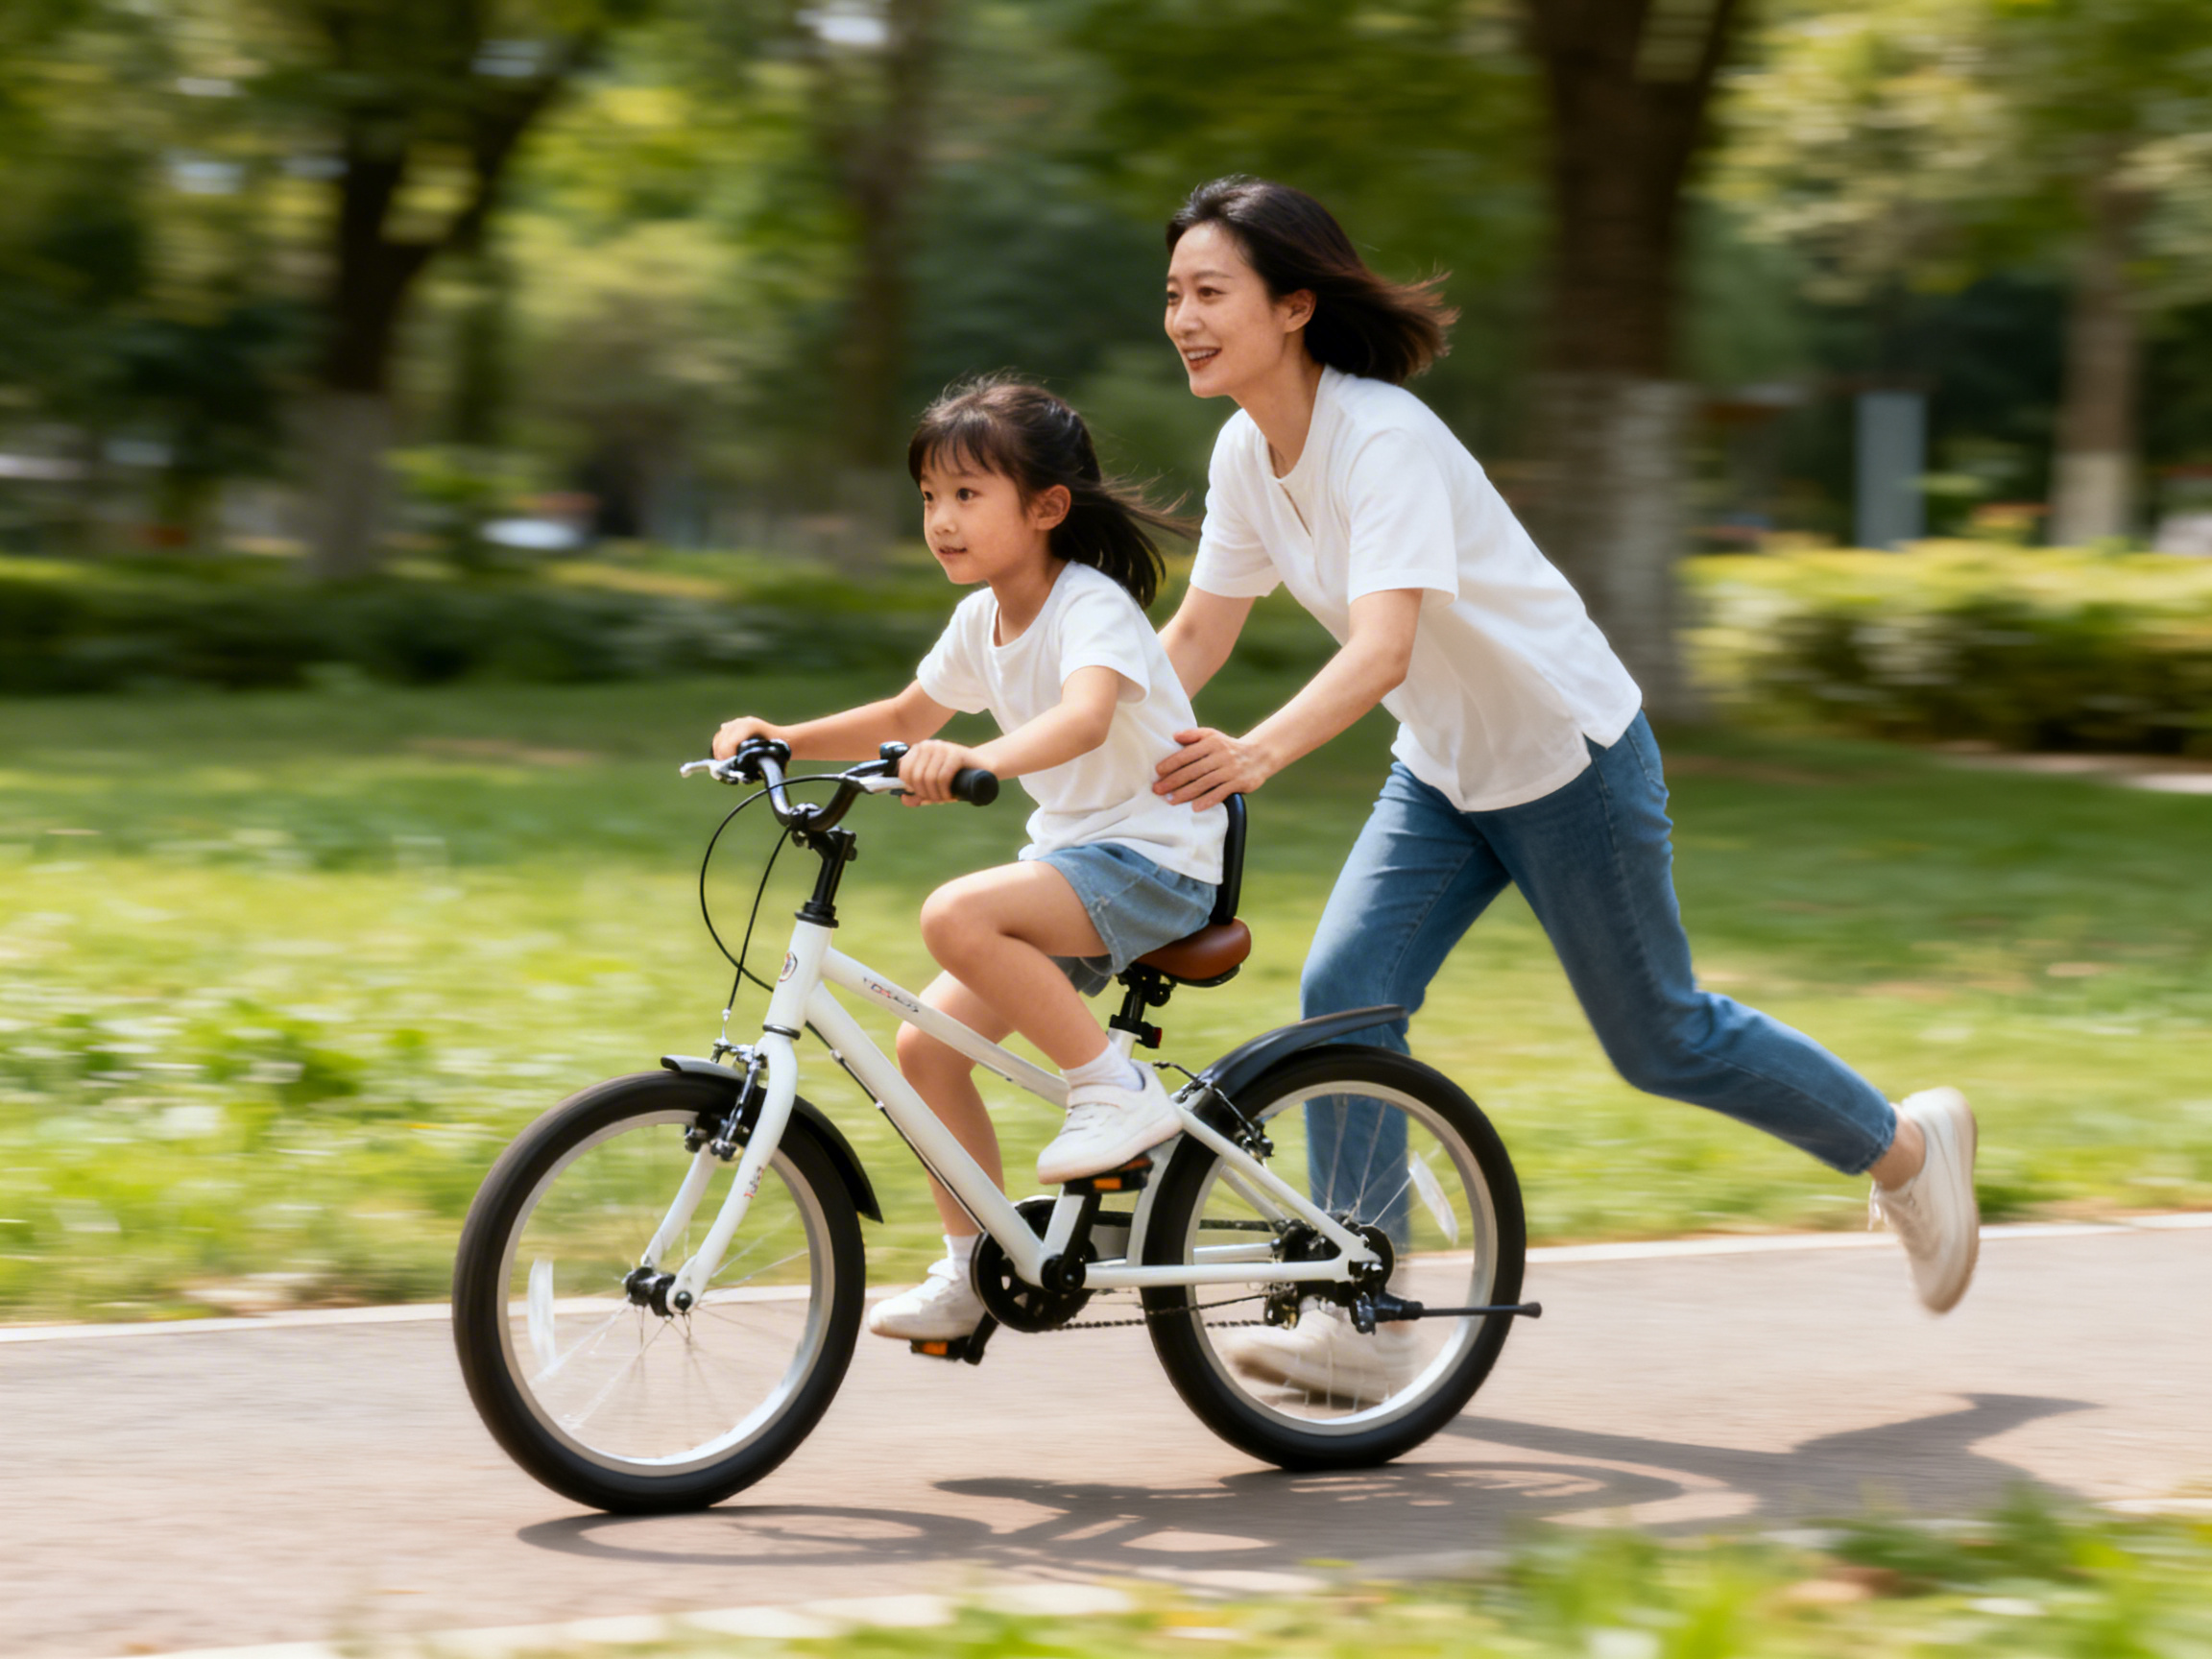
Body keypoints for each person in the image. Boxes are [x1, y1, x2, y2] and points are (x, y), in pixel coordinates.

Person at [1144, 176, 1981, 1395]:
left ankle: (1906, 1151)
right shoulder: (1245, 450)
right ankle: (1363, 1319)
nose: (1183, 317)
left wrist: (1255, 754)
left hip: (1566, 758)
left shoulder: (1382, 439)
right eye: (1172, 294)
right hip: (1444, 766)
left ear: (1295, 307)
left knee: (1662, 1038)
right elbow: (1199, 640)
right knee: (1345, 991)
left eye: (1211, 292)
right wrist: (1076, 722)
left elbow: (1381, 648)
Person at [711, 376, 1227, 1343]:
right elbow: (909, 719)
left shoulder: (1090, 607)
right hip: (1080, 862)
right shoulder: (980, 619)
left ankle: (1116, 1092)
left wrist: (977, 759)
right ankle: (972, 1269)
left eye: (965, 496)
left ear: (1046, 509)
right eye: (928, 499)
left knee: (955, 914)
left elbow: (1082, 718)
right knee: (924, 1053)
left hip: (1158, 859)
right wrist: (784, 735)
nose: (940, 520)